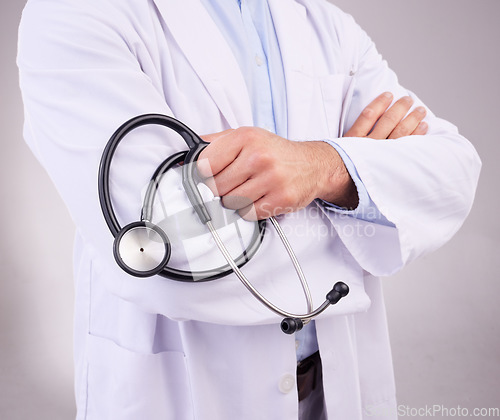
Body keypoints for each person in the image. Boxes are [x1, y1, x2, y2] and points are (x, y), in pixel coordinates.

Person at [17, 0, 481, 419]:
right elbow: (174, 257)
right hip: (182, 397)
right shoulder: (76, 15)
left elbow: (455, 174)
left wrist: (323, 166)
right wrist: (360, 183)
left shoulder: (328, 24)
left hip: (334, 391)